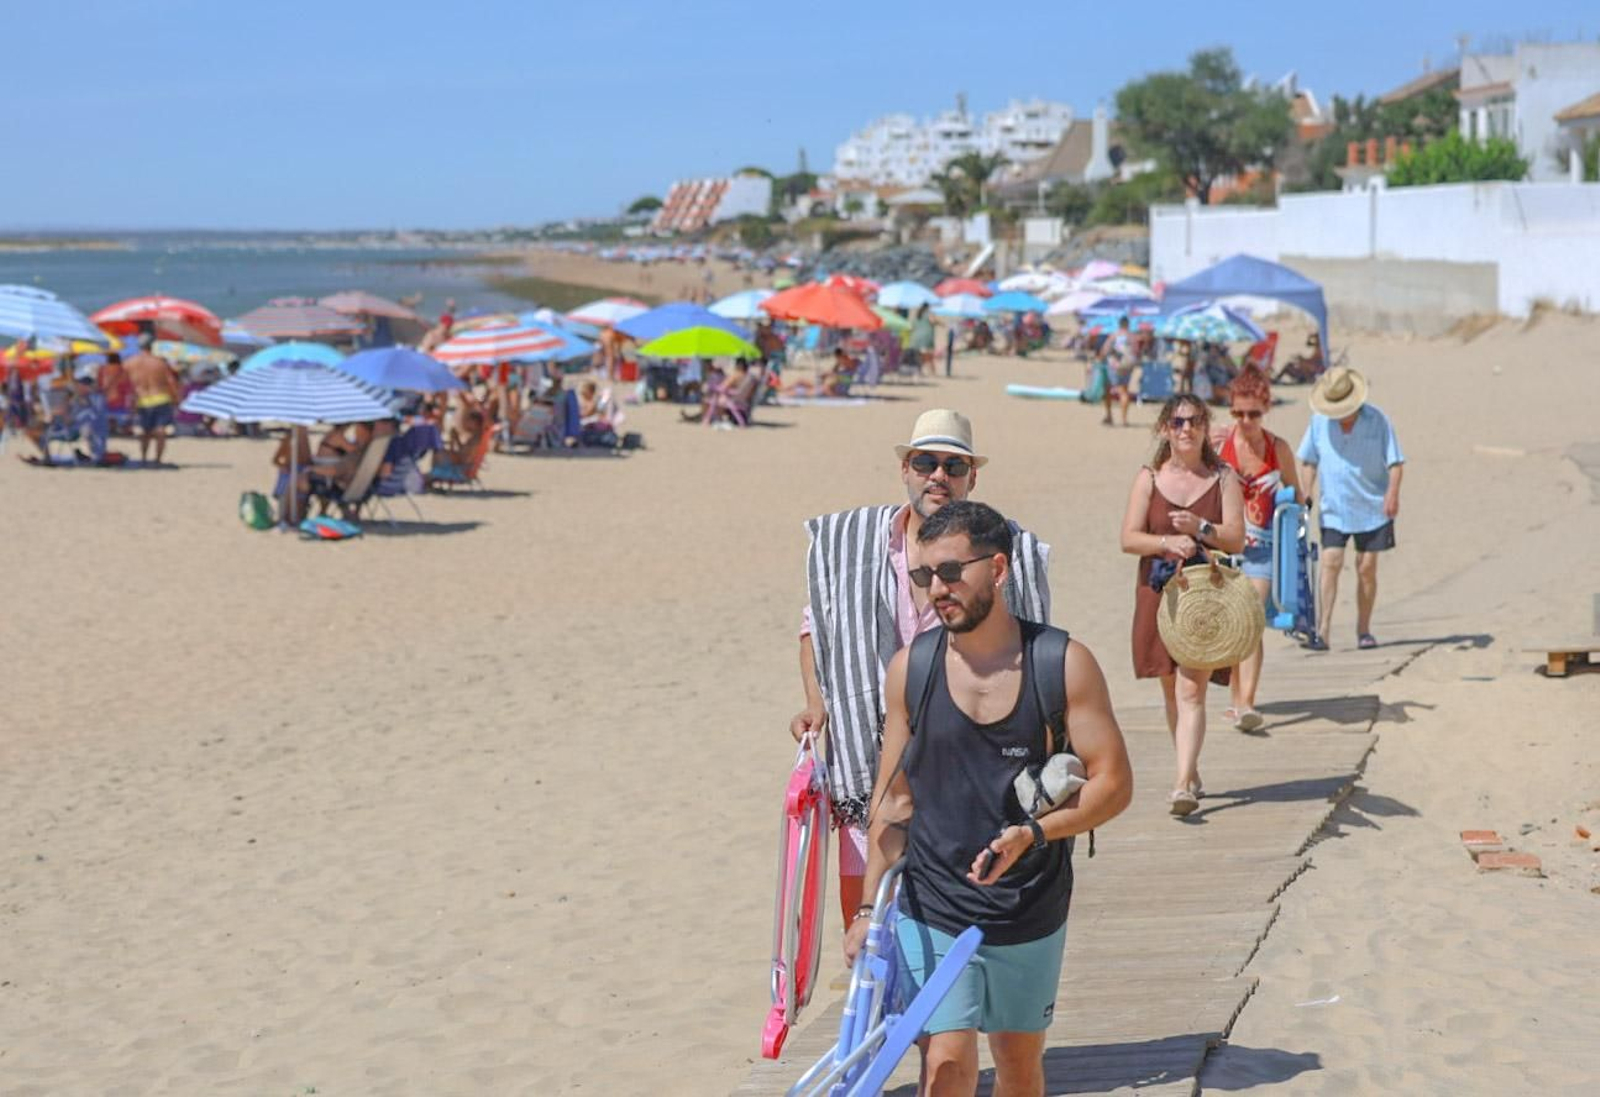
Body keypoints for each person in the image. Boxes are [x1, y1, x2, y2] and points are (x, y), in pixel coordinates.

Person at [845, 501, 1132, 1097]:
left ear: (998, 569)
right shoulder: (912, 671)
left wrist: (1035, 834)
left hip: (1028, 904)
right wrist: (870, 912)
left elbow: (1113, 785)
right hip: (934, 905)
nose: (937, 590)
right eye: (924, 577)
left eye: (952, 572)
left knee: (1019, 1067)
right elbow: (893, 804)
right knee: (946, 1065)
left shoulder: (1062, 664)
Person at [794, 410, 1051, 931]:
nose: (939, 476)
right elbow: (815, 627)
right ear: (905, 470)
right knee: (866, 918)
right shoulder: (858, 545)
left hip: (962, 757)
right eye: (926, 462)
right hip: (870, 759)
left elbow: (1031, 642)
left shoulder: (997, 552)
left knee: (956, 914)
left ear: (971, 479)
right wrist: (817, 703)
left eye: (953, 466)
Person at [1120, 395, 1245, 816]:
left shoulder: (1224, 478)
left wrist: (1200, 528)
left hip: (1206, 593)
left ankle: (1180, 786)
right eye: (1177, 422)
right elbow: (1128, 538)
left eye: (1193, 421)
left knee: (1192, 689)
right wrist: (1166, 542)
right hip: (1159, 594)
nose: (1185, 429)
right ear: (1164, 429)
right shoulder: (1149, 478)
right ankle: (1188, 769)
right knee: (1172, 690)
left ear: (1206, 427)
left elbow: (1236, 538)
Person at [1216, 367, 1302, 730]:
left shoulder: (1276, 448)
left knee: (1250, 617)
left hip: (1264, 550)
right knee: (1237, 626)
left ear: (1265, 408)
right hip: (1225, 550)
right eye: (1238, 413)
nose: (1245, 420)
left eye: (1253, 413)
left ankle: (1247, 702)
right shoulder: (1219, 445)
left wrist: (1291, 509)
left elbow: (1298, 493)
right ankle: (1238, 702)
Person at [1296, 366, 1403, 651]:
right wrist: (1307, 491)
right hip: (1335, 506)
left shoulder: (1377, 420)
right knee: (1330, 561)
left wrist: (1393, 494)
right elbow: (1308, 460)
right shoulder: (1319, 422)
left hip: (1372, 506)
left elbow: (1395, 462)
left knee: (1366, 567)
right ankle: (1323, 631)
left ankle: (1364, 630)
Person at [125, 337, 182, 463]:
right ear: (151, 347)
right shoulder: (159, 362)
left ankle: (144, 457)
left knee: (145, 432)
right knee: (160, 431)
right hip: (161, 398)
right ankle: (157, 459)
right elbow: (171, 382)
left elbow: (124, 381)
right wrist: (176, 398)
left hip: (142, 399)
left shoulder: (130, 362)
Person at [1102, 317, 1135, 427]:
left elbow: (1105, 349)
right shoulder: (1131, 336)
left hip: (1114, 365)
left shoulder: (1114, 335)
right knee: (1124, 390)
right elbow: (1136, 351)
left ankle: (1109, 415)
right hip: (1127, 365)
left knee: (1108, 388)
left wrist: (1101, 357)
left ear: (1119, 324)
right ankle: (1124, 419)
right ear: (1128, 324)